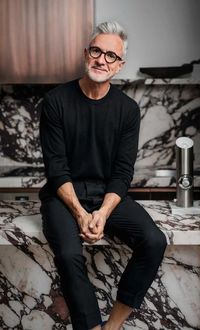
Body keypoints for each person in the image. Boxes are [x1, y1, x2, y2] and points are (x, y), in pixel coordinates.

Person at [39, 21, 167, 330]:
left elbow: (123, 172)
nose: (102, 59)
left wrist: (103, 213)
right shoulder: (55, 102)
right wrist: (82, 214)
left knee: (154, 240)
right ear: (86, 53)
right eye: (97, 51)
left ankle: (112, 326)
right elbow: (57, 170)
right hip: (63, 194)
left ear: (120, 65)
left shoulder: (127, 110)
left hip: (108, 193)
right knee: (69, 254)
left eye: (111, 55)